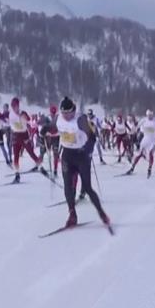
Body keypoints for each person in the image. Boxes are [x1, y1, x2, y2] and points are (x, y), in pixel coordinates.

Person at [57, 97, 111, 229]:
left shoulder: (80, 120)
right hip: (67, 155)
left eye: (68, 113)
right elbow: (52, 126)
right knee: (67, 186)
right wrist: (43, 132)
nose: (65, 116)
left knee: (87, 187)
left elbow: (92, 138)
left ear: (73, 111)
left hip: (81, 156)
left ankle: (101, 213)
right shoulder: (59, 118)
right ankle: (72, 214)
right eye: (63, 113)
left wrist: (87, 151)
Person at [9, 97, 43, 182]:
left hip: (24, 135)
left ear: (18, 106)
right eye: (13, 106)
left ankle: (40, 166)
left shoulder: (23, 113)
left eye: (15, 106)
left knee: (31, 152)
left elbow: (29, 121)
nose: (14, 108)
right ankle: (17, 175)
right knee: (16, 156)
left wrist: (29, 119)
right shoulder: (11, 114)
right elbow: (5, 119)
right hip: (16, 135)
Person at [127, 109, 155, 177]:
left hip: (153, 140)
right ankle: (132, 168)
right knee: (140, 154)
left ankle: (149, 168)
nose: (150, 117)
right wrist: (132, 131)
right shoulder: (144, 120)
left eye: (151, 115)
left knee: (151, 154)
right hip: (145, 140)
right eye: (149, 115)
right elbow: (136, 127)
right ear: (147, 115)